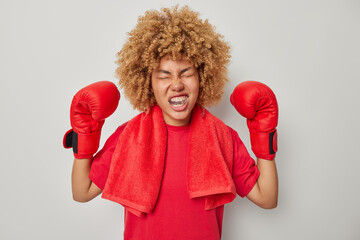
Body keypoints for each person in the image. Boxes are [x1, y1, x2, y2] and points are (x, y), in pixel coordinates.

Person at [64, 5, 278, 240]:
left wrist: (263, 135)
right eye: (164, 75)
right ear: (148, 83)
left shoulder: (222, 137)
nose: (176, 84)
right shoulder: (128, 136)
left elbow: (267, 198)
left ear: (202, 77)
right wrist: (84, 134)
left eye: (186, 72)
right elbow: (81, 192)